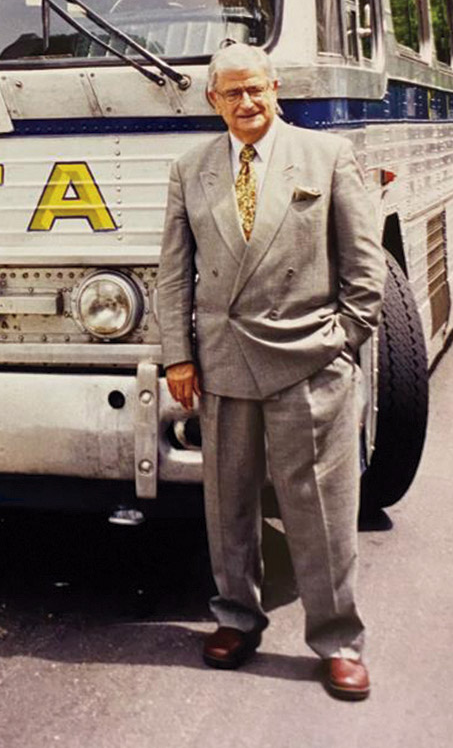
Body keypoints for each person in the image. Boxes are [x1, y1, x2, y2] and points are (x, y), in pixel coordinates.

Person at [157, 42, 385, 701]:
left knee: (319, 509)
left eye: (256, 90)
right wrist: (178, 354)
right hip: (224, 364)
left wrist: (342, 340)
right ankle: (236, 619)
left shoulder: (328, 156)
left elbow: (364, 270)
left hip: (309, 359)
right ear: (214, 101)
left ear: (275, 89)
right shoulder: (191, 168)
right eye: (232, 93)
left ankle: (338, 641)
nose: (247, 103)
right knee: (227, 504)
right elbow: (175, 272)